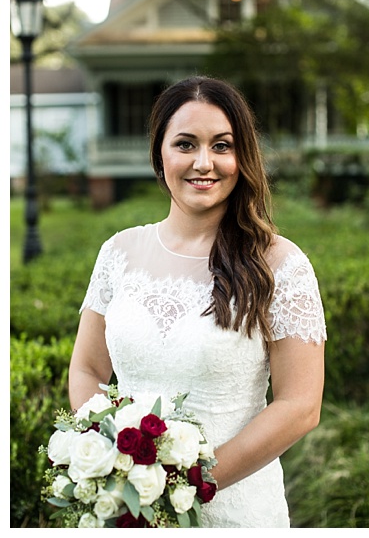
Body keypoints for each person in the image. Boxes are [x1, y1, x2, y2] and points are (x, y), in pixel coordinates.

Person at [68, 76, 327, 527]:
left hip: (235, 511)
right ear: (159, 154)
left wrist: (184, 484)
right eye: (185, 144)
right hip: (131, 513)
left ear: (241, 157)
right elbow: (88, 368)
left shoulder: (279, 263)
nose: (204, 163)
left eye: (222, 146)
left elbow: (300, 406)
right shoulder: (118, 254)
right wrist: (116, 470)